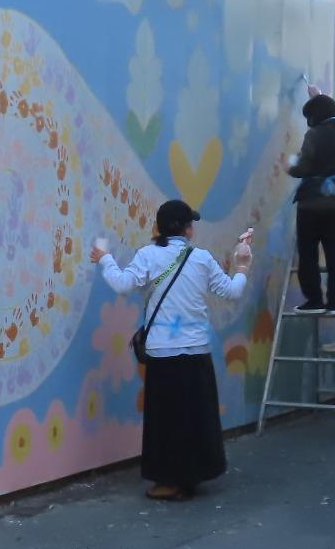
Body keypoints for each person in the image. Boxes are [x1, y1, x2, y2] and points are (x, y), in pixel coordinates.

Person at [93, 200, 252, 501]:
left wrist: (105, 259)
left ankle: (170, 481)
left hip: (163, 354)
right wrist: (242, 264)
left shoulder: (148, 255)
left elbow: (122, 284)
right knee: (195, 416)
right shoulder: (201, 258)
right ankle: (192, 476)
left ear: (159, 228)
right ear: (188, 230)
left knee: (165, 420)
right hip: (196, 352)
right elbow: (232, 291)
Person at [287, 94, 335, 313]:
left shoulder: (314, 134)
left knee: (308, 252)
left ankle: (314, 300)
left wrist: (291, 165)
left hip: (312, 204)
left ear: (315, 115)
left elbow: (303, 167)